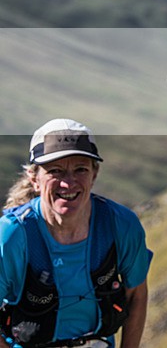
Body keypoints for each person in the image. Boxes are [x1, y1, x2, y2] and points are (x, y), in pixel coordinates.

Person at [0, 119, 152, 348]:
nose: (68, 183)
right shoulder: (12, 234)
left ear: (94, 174)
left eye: (80, 169)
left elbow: (136, 295)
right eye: (55, 171)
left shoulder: (121, 225)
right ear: (35, 179)